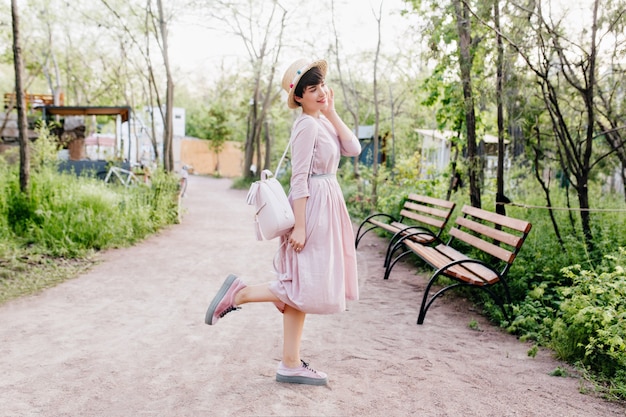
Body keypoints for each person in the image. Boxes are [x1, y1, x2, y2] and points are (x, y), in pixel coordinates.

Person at [205, 58, 361, 386]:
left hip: (327, 202)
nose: (320, 92)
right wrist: (301, 226)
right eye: (311, 89)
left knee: (301, 287)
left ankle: (290, 363)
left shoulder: (323, 121)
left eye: (321, 86)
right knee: (303, 284)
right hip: (314, 207)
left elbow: (354, 148)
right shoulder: (305, 125)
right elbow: (300, 178)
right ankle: (241, 294)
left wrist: (331, 111)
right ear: (299, 97)